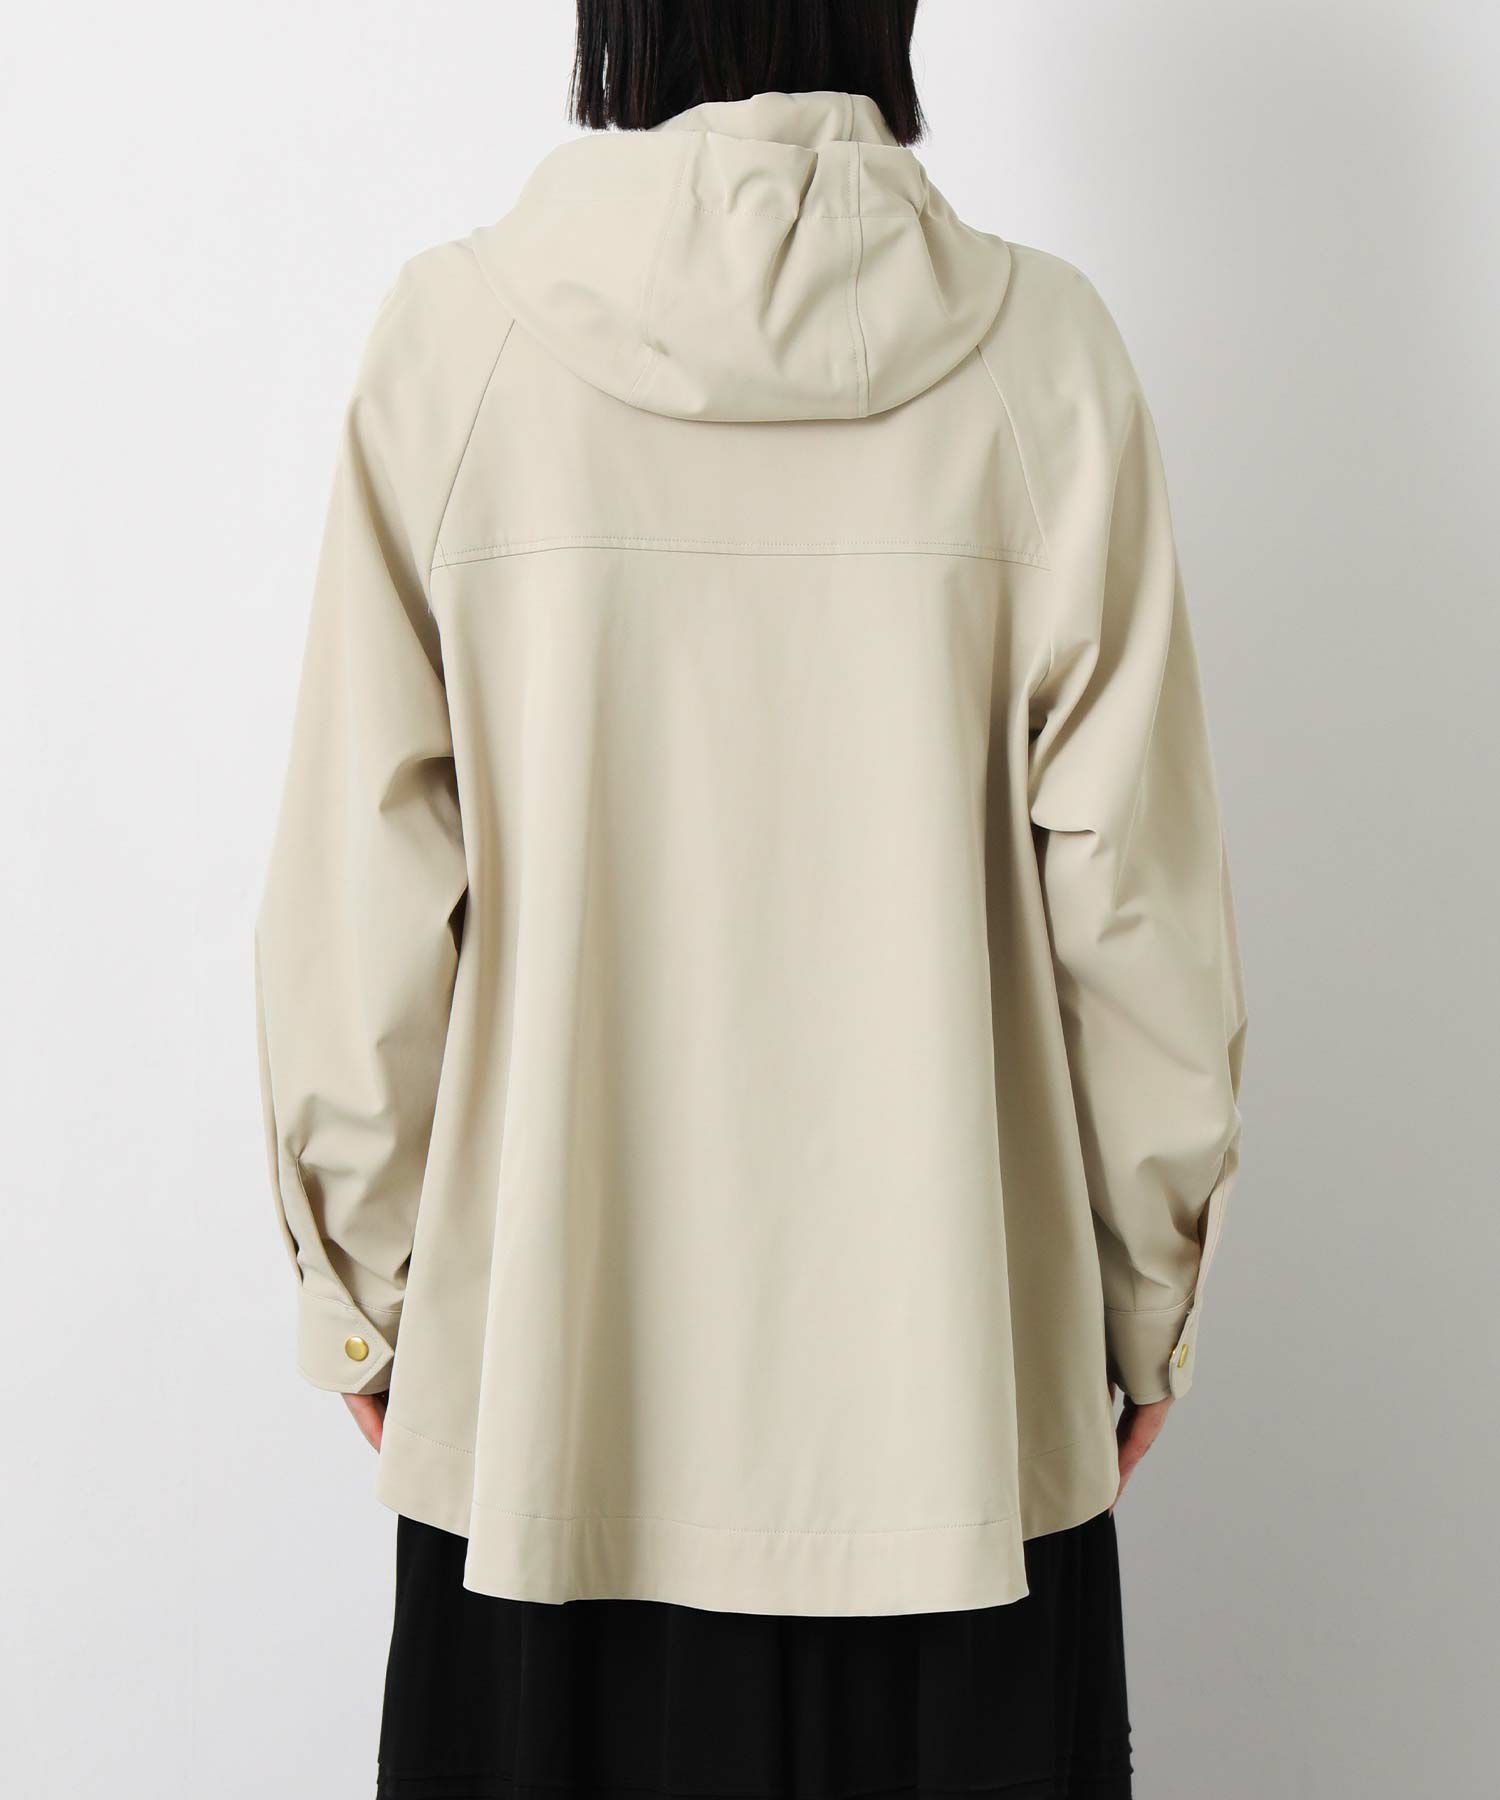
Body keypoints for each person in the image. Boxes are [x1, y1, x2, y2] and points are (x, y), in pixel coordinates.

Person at [255, 3, 1246, 1794]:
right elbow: (1140, 920)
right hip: (957, 1446)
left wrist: (370, 1295)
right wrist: (1141, 1299)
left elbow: (358, 901)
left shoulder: (456, 350)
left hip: (552, 1439)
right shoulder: (1049, 364)